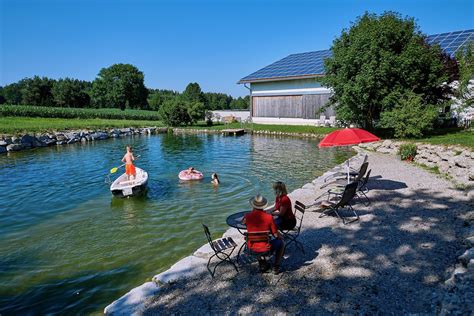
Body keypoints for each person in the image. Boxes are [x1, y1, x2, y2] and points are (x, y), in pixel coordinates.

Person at [243, 194, 285, 274]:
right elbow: (275, 235)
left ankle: (262, 262)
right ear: (263, 206)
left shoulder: (247, 216)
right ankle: (276, 266)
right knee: (281, 242)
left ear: (253, 205)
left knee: (253, 241)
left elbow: (243, 222)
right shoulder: (269, 217)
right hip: (266, 248)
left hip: (251, 248)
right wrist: (281, 236)